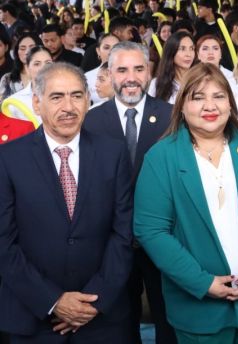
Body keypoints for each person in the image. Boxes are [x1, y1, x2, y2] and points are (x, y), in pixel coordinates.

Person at [134, 63, 238, 343]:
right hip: (197, 310)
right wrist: (202, 282)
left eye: (219, 96)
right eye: (198, 97)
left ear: (230, 103)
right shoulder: (161, 157)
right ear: (182, 105)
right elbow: (151, 230)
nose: (210, 105)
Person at [0, 62, 134, 341]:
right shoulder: (8, 159)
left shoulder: (114, 154)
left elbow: (123, 233)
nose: (68, 107)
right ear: (37, 103)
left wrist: (94, 301)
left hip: (102, 318)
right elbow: (4, 243)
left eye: (76, 96)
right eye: (56, 97)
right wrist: (53, 301)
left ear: (88, 101)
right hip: (34, 318)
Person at [83, 41, 176, 344]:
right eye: (122, 70)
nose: (131, 77)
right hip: (110, 243)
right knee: (119, 323)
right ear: (109, 74)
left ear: (149, 71)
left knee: (168, 319)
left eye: (138, 68)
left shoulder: (173, 117)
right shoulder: (91, 121)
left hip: (165, 239)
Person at [4, 46, 52, 122]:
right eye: (37, 64)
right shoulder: (15, 101)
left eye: (48, 63)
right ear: (27, 69)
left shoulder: (67, 95)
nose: (44, 67)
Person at [148, 31, 195, 104]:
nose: (188, 54)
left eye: (192, 48)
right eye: (182, 49)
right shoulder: (156, 84)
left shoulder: (200, 81)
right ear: (171, 52)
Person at [0, 32, 39, 100]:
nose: (27, 52)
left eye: (32, 48)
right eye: (22, 49)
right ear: (17, 53)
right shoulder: (7, 79)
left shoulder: (49, 76)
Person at [85, 33, 120, 106]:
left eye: (115, 48)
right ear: (98, 51)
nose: (111, 51)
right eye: (107, 48)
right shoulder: (87, 77)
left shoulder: (130, 76)